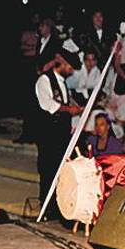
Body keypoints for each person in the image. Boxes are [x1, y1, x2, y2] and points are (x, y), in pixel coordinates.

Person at [34, 49, 83, 218]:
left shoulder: (63, 84)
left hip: (61, 134)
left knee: (60, 169)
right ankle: (46, 207)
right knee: (48, 169)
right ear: (62, 63)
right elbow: (48, 105)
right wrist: (70, 109)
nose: (71, 70)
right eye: (70, 66)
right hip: (48, 134)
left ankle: (58, 206)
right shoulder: (44, 80)